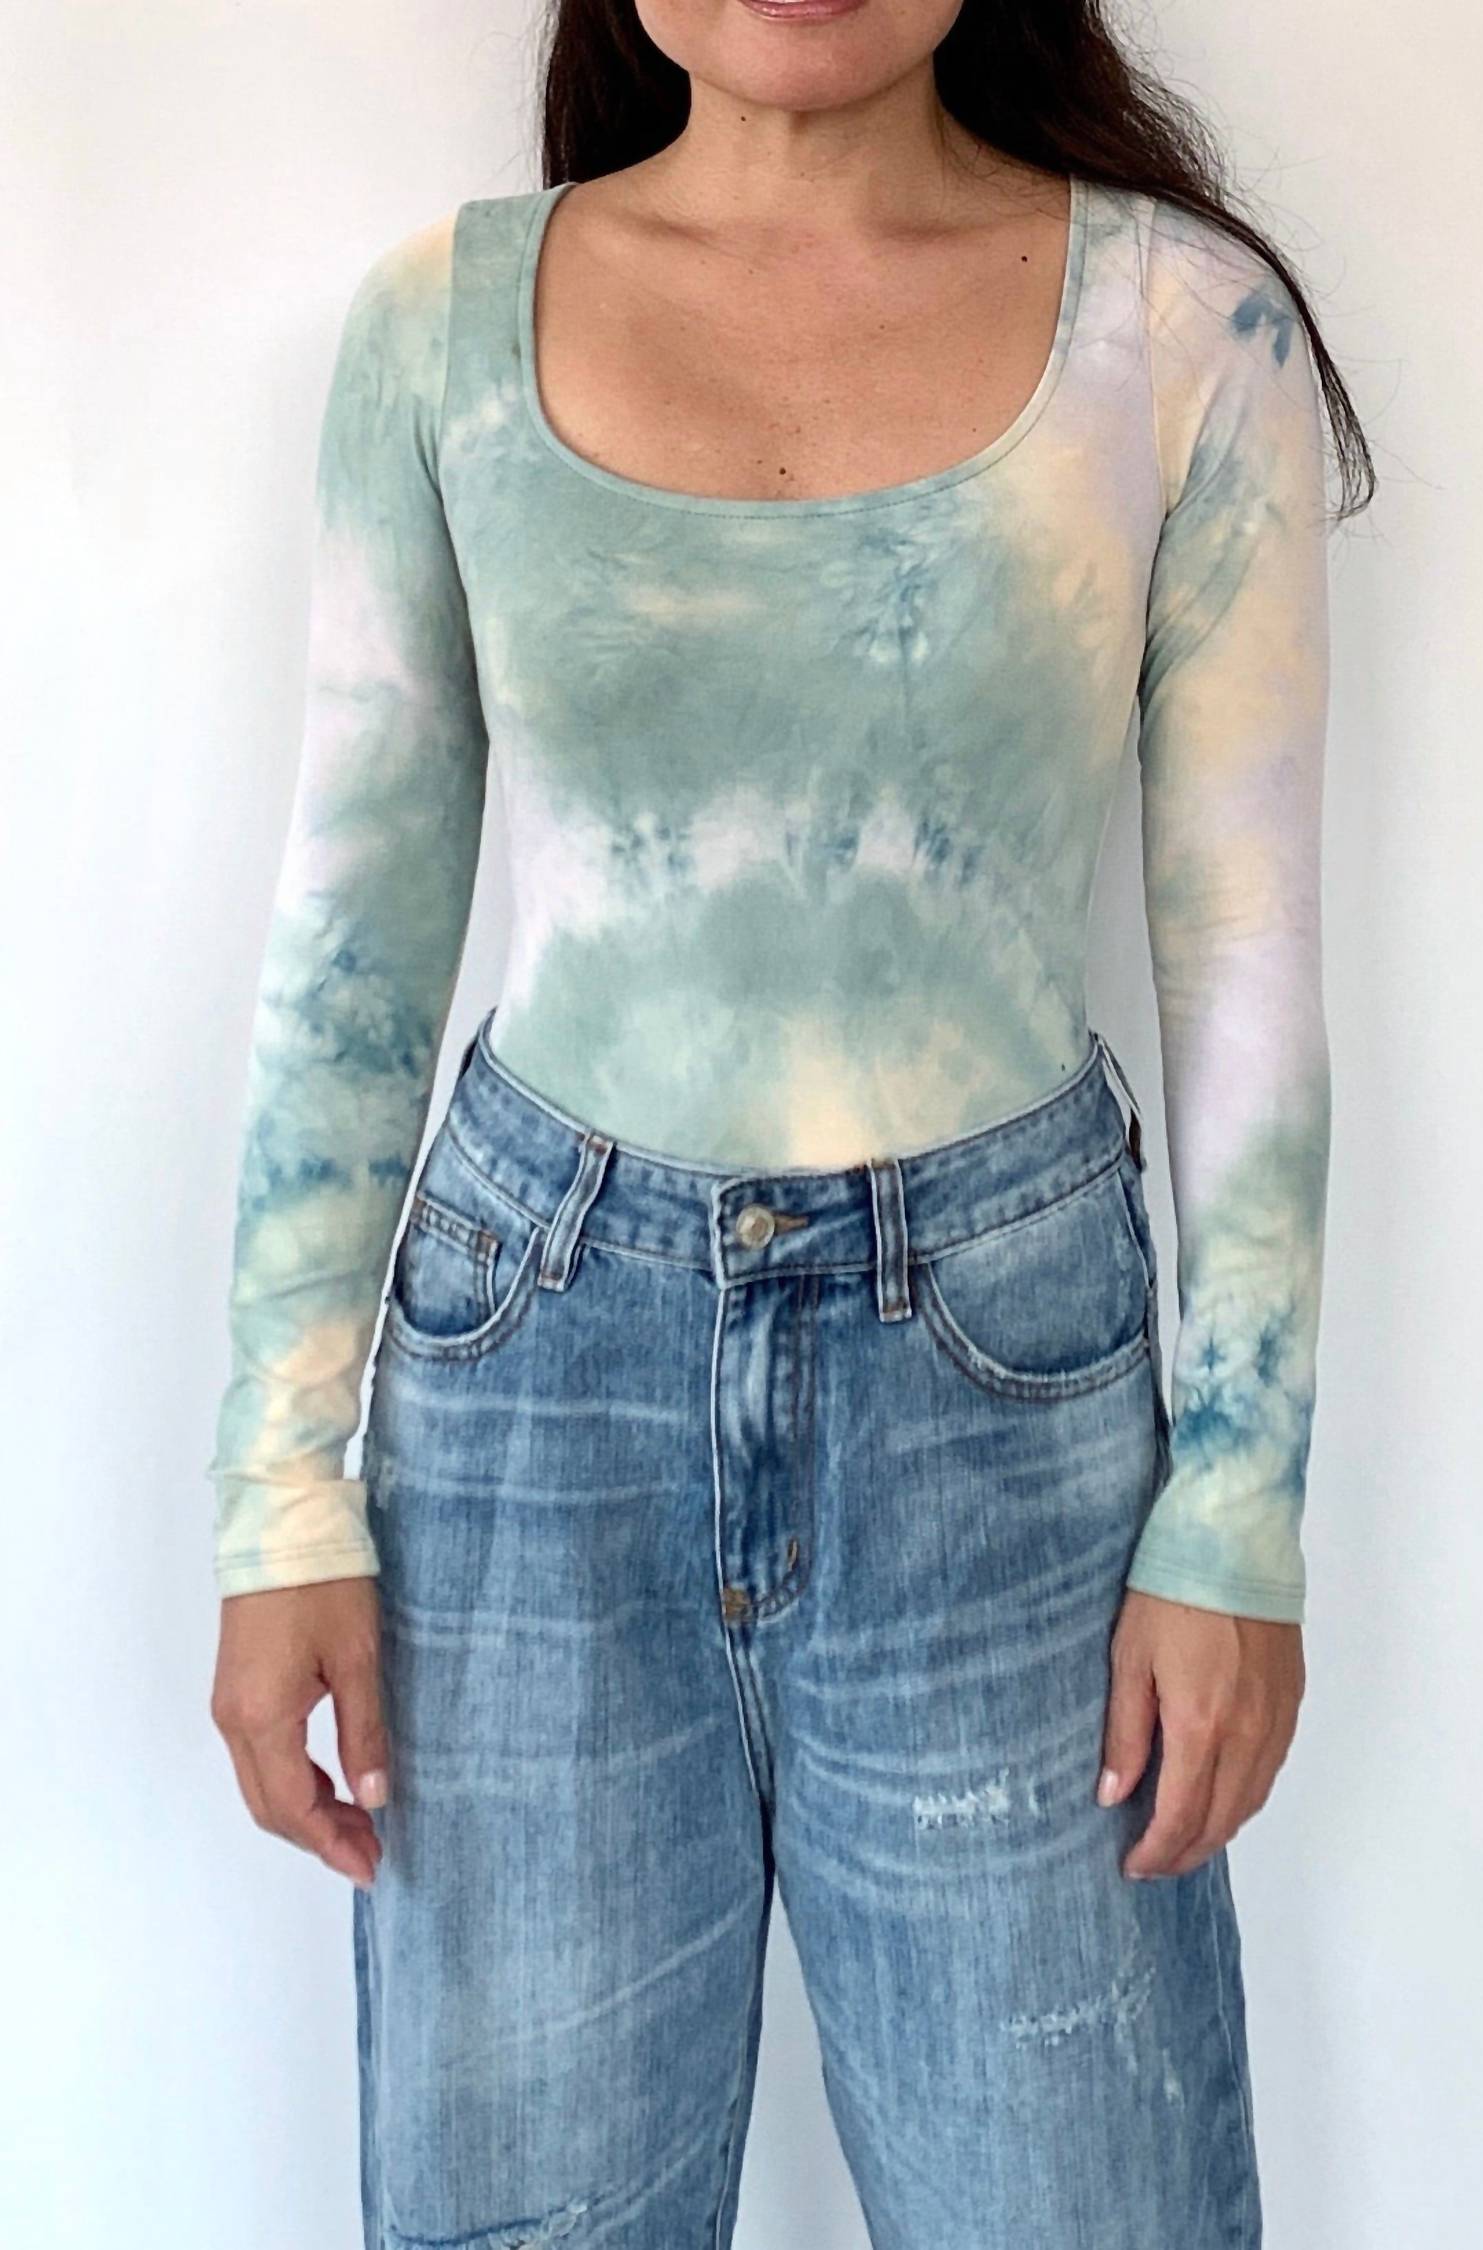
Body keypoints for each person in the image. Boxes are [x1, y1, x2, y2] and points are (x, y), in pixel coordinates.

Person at [207, 0, 1372, 2241]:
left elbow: (1244, 956)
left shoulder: (1181, 331)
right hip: (526, 1399)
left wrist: (1238, 1514)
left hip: (1007, 1408)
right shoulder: (440, 330)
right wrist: (280, 1498)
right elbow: (352, 944)